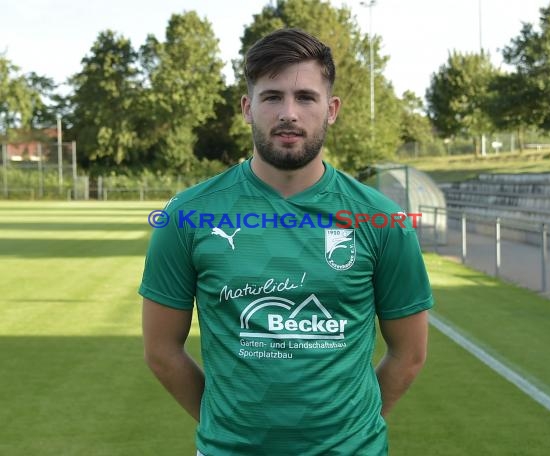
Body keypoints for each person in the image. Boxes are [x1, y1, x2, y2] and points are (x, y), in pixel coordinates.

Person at [139, 28, 433, 456]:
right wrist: (227, 428)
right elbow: (161, 350)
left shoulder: (380, 219)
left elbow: (409, 354)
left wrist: (353, 430)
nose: (289, 113)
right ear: (247, 107)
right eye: (272, 96)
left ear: (331, 109)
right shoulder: (188, 215)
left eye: (306, 97)